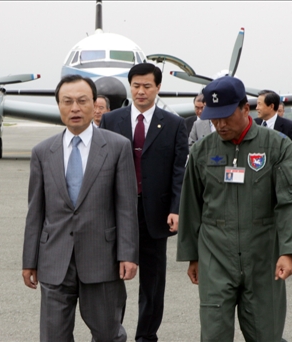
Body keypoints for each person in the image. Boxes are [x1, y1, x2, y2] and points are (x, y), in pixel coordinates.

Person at [177, 76, 292, 342]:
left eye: (226, 116)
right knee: (214, 333)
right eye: (214, 118)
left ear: (244, 108)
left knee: (266, 333)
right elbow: (191, 203)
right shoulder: (203, 151)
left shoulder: (276, 146)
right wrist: (193, 255)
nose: (220, 124)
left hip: (263, 255)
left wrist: (289, 251)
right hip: (215, 254)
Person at [22, 74, 139, 342]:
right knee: (53, 337)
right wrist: (30, 260)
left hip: (103, 259)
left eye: (82, 101)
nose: (75, 108)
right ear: (59, 106)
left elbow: (126, 207)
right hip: (55, 260)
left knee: (108, 334)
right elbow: (35, 211)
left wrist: (128, 254)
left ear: (94, 104)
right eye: (68, 101)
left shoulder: (117, 147)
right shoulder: (42, 151)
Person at [100, 63, 188, 342]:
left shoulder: (174, 124)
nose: (140, 91)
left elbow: (179, 171)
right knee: (113, 278)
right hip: (117, 212)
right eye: (135, 85)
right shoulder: (111, 120)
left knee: (152, 282)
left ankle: (146, 335)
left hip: (156, 214)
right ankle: (112, 331)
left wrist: (176, 208)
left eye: (147, 86)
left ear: (158, 88)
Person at [255, 89, 292, 174]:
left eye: (259, 104)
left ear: (271, 106)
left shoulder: (289, 127)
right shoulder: (254, 124)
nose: (256, 107)